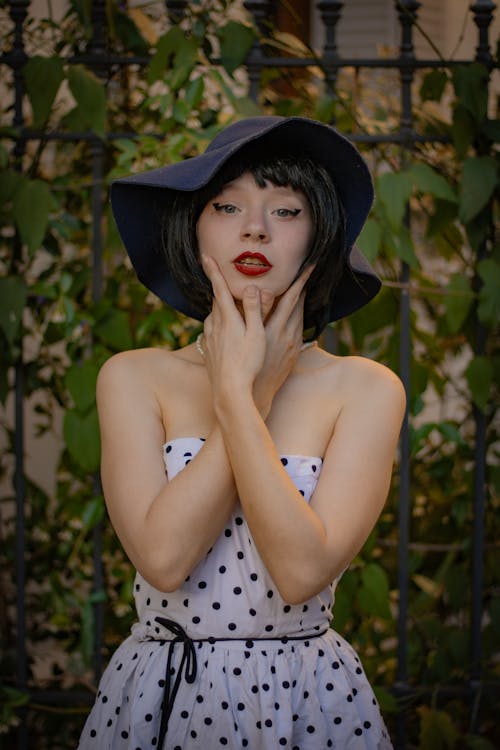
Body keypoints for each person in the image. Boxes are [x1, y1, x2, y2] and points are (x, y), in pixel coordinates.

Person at [78, 116, 405, 750]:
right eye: (227, 205)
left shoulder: (366, 389)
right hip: (162, 697)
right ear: (193, 225)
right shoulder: (133, 378)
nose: (254, 227)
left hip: (306, 698)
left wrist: (236, 396)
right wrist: (245, 392)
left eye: (287, 210)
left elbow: (300, 570)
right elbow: (165, 560)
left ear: (319, 237)